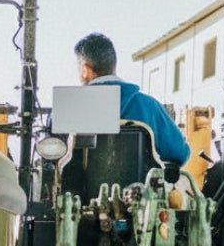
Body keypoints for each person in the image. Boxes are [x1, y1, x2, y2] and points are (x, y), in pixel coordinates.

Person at [73, 32, 191, 165]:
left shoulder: (69, 110)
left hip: (81, 185)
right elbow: (179, 154)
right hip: (139, 184)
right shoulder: (150, 107)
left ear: (85, 69)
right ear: (113, 65)